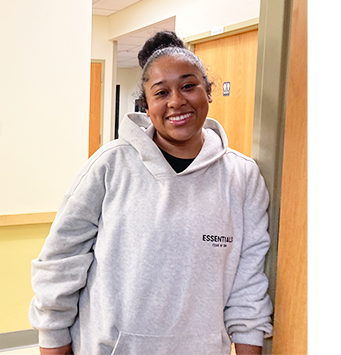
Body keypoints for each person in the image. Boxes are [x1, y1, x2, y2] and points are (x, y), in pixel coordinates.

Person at [28, 31, 273, 355]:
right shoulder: (109, 166)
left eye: (188, 86)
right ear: (146, 105)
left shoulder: (242, 177)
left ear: (208, 92)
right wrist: (53, 340)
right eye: (161, 92)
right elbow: (60, 262)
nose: (176, 101)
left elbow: (248, 283)